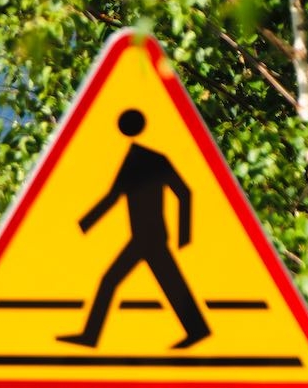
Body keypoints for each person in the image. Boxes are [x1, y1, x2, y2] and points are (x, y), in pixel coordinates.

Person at [64, 108, 210, 350]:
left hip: (149, 236)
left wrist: (185, 235)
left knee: (115, 280)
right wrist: (84, 224)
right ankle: (197, 329)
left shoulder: (141, 160)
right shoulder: (140, 159)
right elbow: (115, 197)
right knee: (165, 283)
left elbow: (184, 193)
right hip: (144, 235)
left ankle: (90, 336)